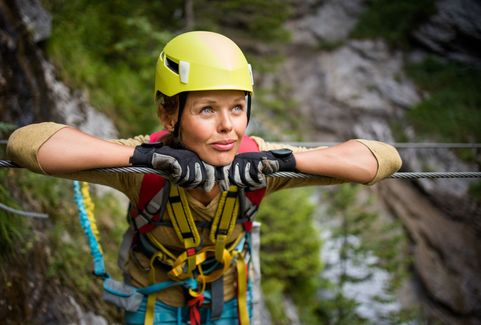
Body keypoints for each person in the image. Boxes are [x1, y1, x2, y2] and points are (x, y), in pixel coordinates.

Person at [7, 31, 402, 325]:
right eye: (207, 109)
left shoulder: (257, 163)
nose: (228, 126)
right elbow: (28, 143)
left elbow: (381, 158)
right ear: (169, 115)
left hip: (229, 297)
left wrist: (281, 162)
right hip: (154, 302)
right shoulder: (146, 166)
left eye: (237, 107)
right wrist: (145, 157)